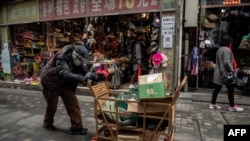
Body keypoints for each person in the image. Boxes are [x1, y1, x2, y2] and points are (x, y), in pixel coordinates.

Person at [40, 44, 96, 134]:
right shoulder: (61, 57)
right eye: (80, 59)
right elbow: (64, 73)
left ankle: (76, 128)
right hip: (51, 83)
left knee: (73, 103)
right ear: (75, 55)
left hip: (64, 83)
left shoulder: (76, 59)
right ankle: (47, 124)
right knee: (52, 106)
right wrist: (81, 78)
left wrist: (91, 75)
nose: (81, 61)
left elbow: (83, 70)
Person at [209, 35, 243, 112]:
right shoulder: (227, 50)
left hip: (219, 72)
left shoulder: (219, 49)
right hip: (226, 73)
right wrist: (232, 71)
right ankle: (232, 106)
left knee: (217, 88)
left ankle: (213, 103)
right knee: (231, 89)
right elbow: (226, 62)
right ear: (229, 43)